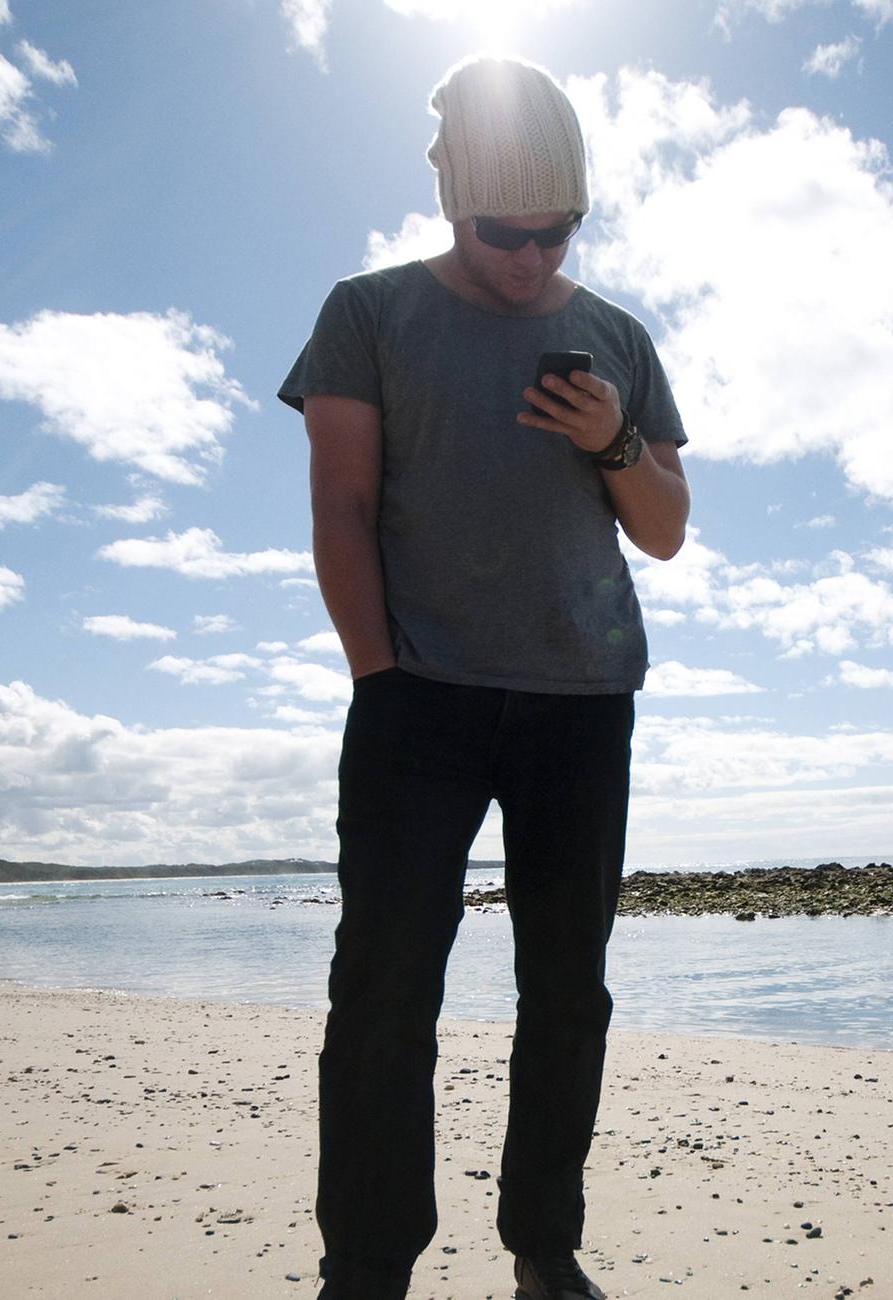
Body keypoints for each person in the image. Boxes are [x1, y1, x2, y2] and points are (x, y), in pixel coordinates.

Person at [275, 54, 693, 1300]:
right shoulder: (369, 311)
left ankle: (542, 1247)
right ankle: (365, 1264)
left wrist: (607, 436)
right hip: (420, 701)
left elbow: (664, 527)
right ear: (452, 200)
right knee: (383, 990)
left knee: (566, 992)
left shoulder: (615, 335)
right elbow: (341, 511)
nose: (529, 256)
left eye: (555, 230)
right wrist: (381, 677)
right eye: (504, 231)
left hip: (582, 702)